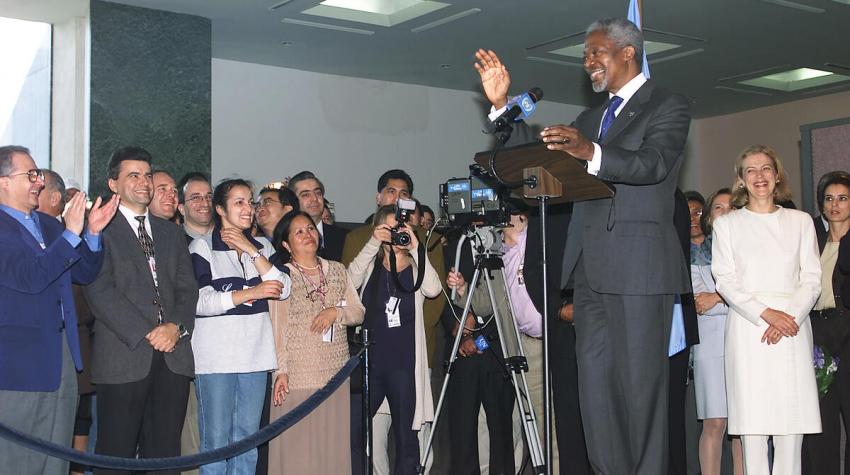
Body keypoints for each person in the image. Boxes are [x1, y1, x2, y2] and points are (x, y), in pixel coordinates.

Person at [475, 16, 691, 473]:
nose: (588, 61)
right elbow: (541, 158)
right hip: (589, 276)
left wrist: (589, 151)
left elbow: (651, 164)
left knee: (640, 396)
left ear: (628, 52)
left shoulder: (667, 105)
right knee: (594, 399)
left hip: (640, 271)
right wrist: (501, 108)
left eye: (597, 52)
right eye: (586, 55)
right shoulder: (590, 119)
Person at [0, 146, 117, 475]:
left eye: (38, 174)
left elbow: (83, 272)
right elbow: (31, 278)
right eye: (31, 175)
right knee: (16, 460)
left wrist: (92, 233)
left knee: (56, 459)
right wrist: (70, 232)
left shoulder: (49, 225)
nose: (38, 182)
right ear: (3, 182)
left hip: (62, 360)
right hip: (18, 367)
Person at [83, 146, 198, 475]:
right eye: (133, 175)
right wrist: (150, 332)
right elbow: (99, 289)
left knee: (165, 458)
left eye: (147, 175)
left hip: (173, 357)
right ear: (113, 184)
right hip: (124, 357)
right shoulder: (99, 230)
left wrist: (175, 327)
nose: (144, 182)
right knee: (114, 458)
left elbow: (188, 289)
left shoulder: (171, 232)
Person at [712, 144, 822, 474]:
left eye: (766, 169)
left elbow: (812, 278)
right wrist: (765, 313)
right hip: (749, 329)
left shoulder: (800, 221)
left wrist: (787, 316)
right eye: (751, 170)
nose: (759, 176)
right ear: (741, 180)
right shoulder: (727, 225)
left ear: (777, 176)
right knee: (753, 423)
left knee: (791, 421)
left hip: (792, 326)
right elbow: (725, 280)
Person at [189, 178, 291, 474]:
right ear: (220, 208)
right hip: (216, 359)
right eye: (239, 202)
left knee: (247, 439)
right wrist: (251, 293)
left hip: (256, 356)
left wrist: (251, 249)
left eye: (250, 202)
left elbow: (284, 287)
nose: (249, 209)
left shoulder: (263, 245)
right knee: (217, 441)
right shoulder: (202, 246)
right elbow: (200, 302)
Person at [266, 210, 364, 475]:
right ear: (286, 244)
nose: (308, 234)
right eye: (299, 232)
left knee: (330, 450)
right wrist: (281, 371)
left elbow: (358, 311)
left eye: (310, 228)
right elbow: (277, 327)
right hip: (298, 373)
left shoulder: (337, 270)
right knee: (299, 453)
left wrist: (336, 313)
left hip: (335, 374)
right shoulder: (281, 275)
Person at [348, 204, 442, 474]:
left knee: (406, 439)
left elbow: (434, 289)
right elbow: (349, 280)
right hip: (371, 365)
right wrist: (372, 242)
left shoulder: (416, 269)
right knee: (355, 433)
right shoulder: (370, 268)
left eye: (401, 227)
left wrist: (415, 247)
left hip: (405, 367)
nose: (395, 233)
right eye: (389, 228)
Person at [802, 171, 850, 474]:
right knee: (820, 423)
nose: (835, 205)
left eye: (843, 198)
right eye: (829, 199)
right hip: (817, 334)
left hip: (847, 331)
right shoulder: (812, 243)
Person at [288, 171, 348, 261]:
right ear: (293, 201)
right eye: (306, 195)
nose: (315, 199)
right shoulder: (285, 239)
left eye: (318, 193)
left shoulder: (346, 237)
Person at [178, 172, 214, 245]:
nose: (205, 204)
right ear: (182, 208)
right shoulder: (172, 242)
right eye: (196, 198)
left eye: (208, 197)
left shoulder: (229, 237)